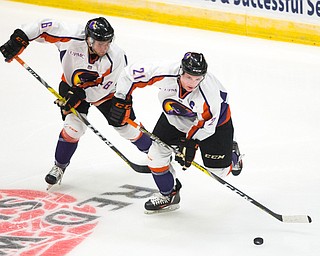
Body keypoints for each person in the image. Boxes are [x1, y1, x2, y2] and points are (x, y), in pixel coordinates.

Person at [0, 17, 152, 188]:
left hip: (106, 93)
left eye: (107, 43)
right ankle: (59, 167)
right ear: (89, 39)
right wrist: (20, 38)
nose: (105, 47)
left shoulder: (117, 56)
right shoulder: (71, 36)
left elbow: (105, 88)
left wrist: (81, 94)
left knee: (127, 128)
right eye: (100, 43)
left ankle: (156, 154)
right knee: (74, 128)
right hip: (71, 86)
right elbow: (43, 26)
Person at [110, 52, 243, 213]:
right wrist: (121, 100)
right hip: (174, 116)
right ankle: (169, 195)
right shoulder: (164, 71)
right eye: (188, 77)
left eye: (197, 78)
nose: (192, 83)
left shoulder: (209, 95)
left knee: (218, 173)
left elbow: (206, 126)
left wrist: (190, 144)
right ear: (181, 71)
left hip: (214, 125)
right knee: (155, 158)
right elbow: (128, 74)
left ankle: (233, 153)